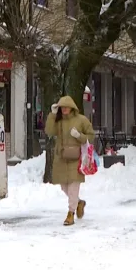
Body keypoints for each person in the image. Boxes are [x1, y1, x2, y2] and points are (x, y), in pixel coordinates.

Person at [45, 95, 95, 226]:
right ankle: (79, 203)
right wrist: (52, 114)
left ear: (72, 107)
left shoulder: (81, 120)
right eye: (62, 107)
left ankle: (70, 213)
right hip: (61, 158)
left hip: (76, 158)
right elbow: (49, 131)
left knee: (73, 186)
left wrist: (79, 136)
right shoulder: (58, 121)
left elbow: (91, 136)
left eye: (66, 107)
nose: (64, 109)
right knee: (64, 186)